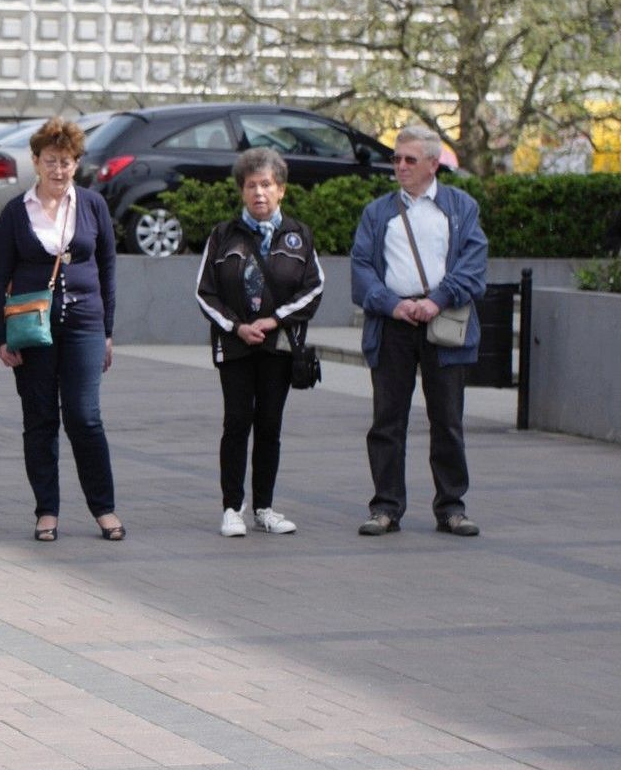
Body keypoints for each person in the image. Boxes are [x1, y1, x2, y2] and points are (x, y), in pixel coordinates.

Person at [0, 117, 124, 542]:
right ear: (35, 161)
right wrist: (1, 335)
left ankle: (104, 508)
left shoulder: (93, 205)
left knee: (85, 417)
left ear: (76, 164)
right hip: (32, 327)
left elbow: (107, 269)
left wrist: (107, 330)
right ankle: (46, 511)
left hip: (85, 324)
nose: (58, 170)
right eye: (50, 161)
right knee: (40, 419)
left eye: (66, 162)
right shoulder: (16, 211)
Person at [350, 123, 488, 537]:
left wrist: (438, 299)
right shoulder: (377, 212)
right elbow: (361, 268)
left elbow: (474, 263)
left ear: (433, 164)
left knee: (447, 420)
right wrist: (392, 304)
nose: (400, 166)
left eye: (410, 159)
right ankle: (385, 507)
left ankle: (452, 507)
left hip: (442, 323)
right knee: (387, 421)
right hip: (393, 324)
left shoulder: (461, 207)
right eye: (396, 159)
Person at [194, 148, 325, 537]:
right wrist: (237, 327)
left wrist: (275, 319)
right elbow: (204, 293)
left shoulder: (299, 235)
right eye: (251, 185)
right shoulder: (223, 235)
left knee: (269, 424)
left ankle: (264, 507)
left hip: (277, 346)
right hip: (235, 346)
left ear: (281, 189)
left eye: (267, 184)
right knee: (237, 422)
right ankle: (232, 507)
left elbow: (314, 288)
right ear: (242, 191)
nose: (259, 193)